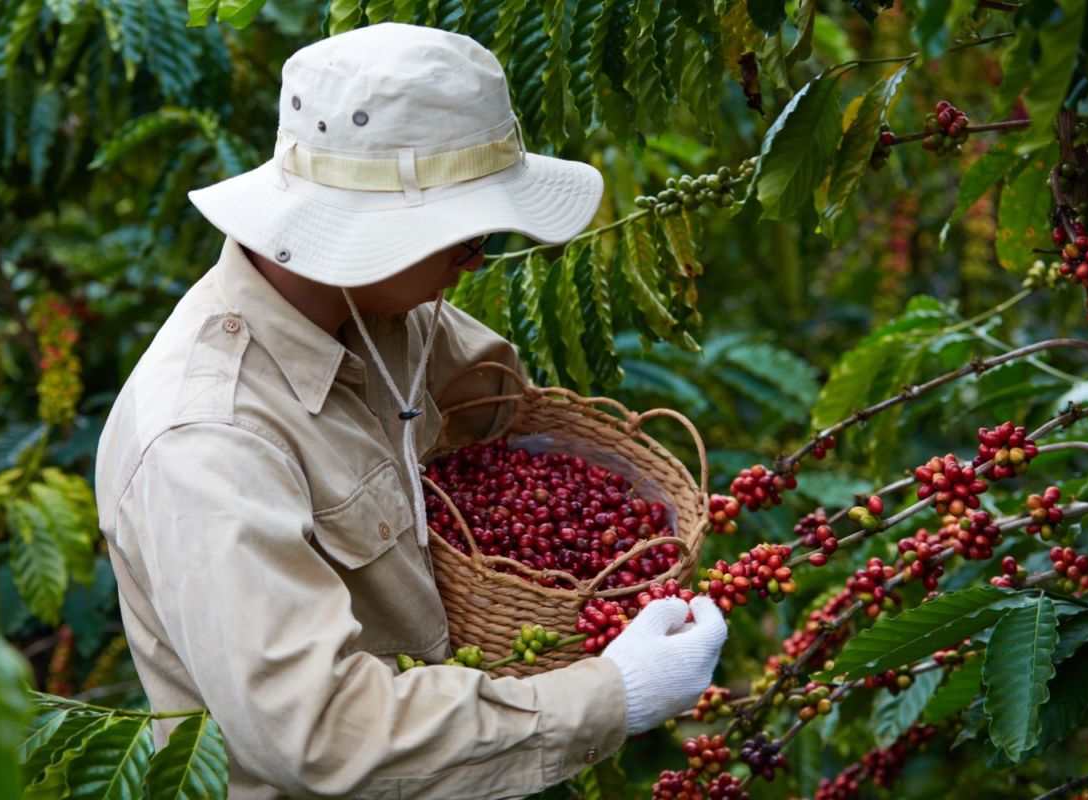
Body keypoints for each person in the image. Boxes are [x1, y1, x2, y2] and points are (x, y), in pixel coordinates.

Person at [94, 22, 728, 799]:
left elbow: (503, 426)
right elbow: (321, 733)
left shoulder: (386, 317)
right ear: (370, 233)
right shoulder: (209, 441)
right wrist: (609, 695)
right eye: (468, 237)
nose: (477, 261)